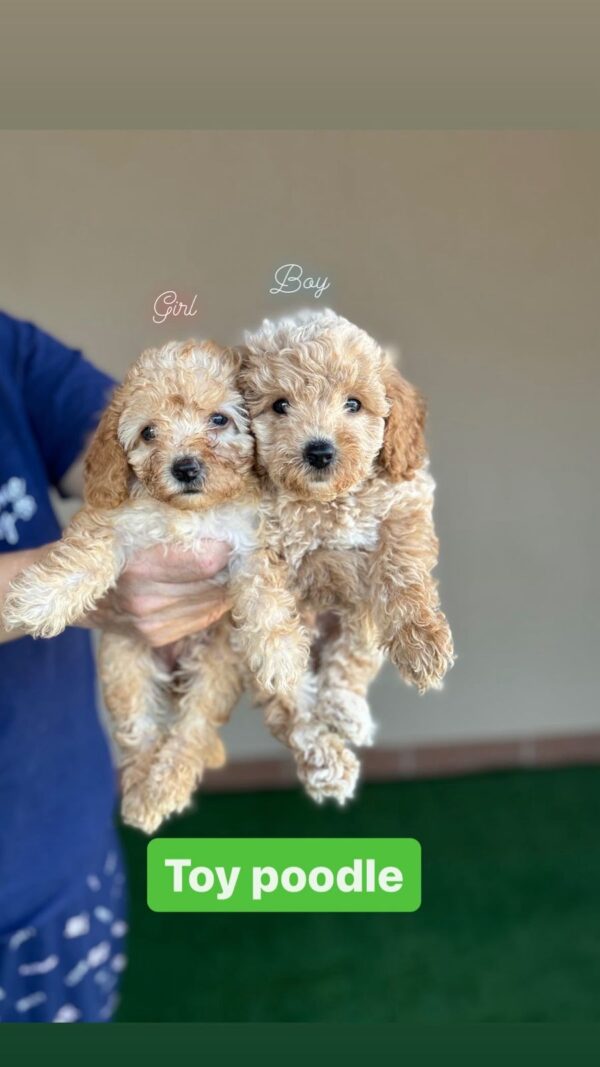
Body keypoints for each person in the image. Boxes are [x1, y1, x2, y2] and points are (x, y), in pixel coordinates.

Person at [0, 310, 230, 1023]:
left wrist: (189, 539)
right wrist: (76, 578)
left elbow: (129, 452)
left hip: (62, 858)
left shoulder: (8, 346)